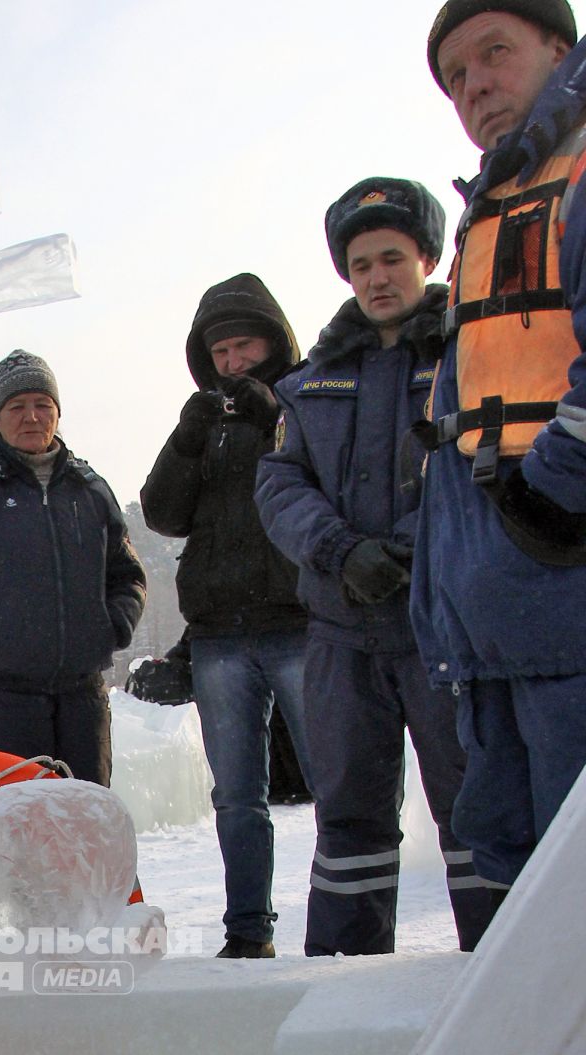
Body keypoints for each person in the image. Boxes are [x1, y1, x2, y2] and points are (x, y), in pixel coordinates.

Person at [256, 180, 501, 955]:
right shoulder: (308, 384)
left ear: (427, 259)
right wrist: (341, 551)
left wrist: (407, 543)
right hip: (340, 633)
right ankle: (342, 985)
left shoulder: (471, 355)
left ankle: (499, 970)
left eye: (393, 258)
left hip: (444, 630)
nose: (377, 277)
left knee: (476, 806)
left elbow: (478, 463)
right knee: (349, 817)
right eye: (361, 264)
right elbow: (279, 483)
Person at [412, 2, 586, 889]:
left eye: (494, 54)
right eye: (455, 77)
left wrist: (549, 494)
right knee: (519, 866)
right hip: (495, 613)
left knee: (569, 878)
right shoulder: (501, 201)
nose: (474, 86)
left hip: (561, 593)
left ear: (560, 48)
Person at [140, 274, 312, 959]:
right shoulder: (201, 422)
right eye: (222, 353)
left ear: (273, 342)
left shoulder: (308, 400)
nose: (234, 362)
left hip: (302, 623)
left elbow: (327, 482)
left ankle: (354, 925)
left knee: (342, 784)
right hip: (218, 637)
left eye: (245, 346)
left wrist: (277, 420)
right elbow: (161, 513)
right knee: (238, 795)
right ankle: (248, 932)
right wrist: (186, 438)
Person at [0, 349, 147, 787]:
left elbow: (127, 575)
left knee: (89, 823)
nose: (31, 417)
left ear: (58, 414)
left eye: (43, 405)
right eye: (16, 407)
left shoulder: (90, 489)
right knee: (21, 831)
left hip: (83, 695)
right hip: (5, 698)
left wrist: (111, 626)